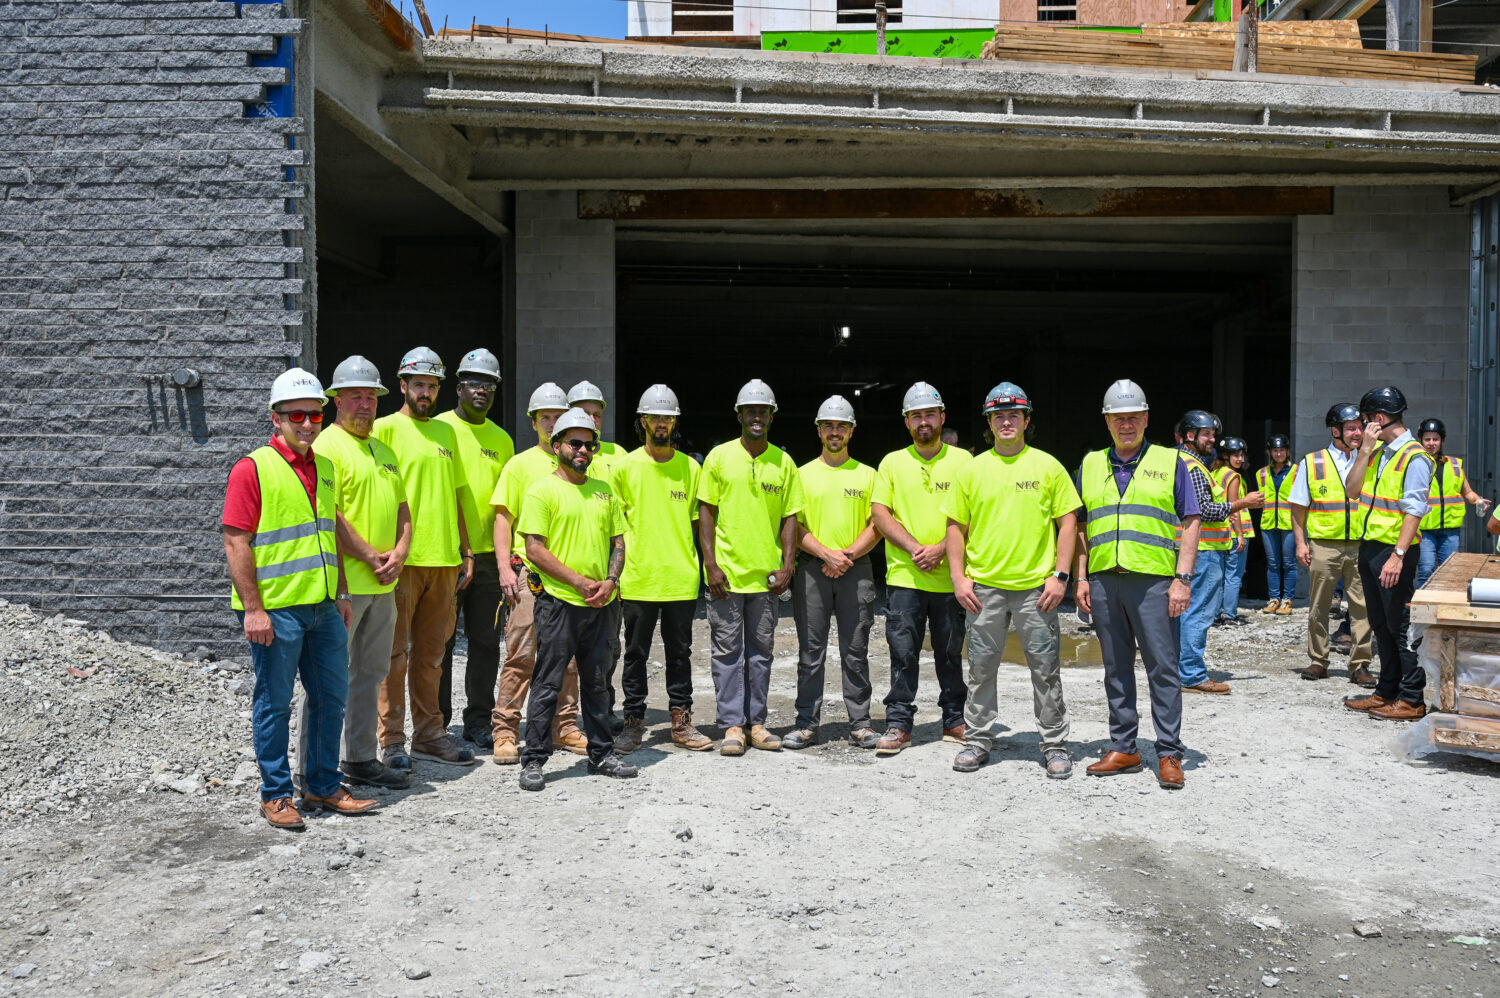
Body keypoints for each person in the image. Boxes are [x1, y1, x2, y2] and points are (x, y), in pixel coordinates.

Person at [223, 368, 376, 830]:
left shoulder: (325, 468)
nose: (308, 423)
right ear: (277, 418)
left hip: (325, 608)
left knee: (332, 698)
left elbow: (327, 534)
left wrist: (343, 592)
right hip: (277, 612)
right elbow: (236, 542)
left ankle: (324, 785)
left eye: (315, 414)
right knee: (274, 703)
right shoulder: (252, 469)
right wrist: (254, 609)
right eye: (297, 415)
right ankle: (275, 793)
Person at [945, 383, 1080, 778]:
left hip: (1036, 589)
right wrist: (959, 579)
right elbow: (955, 527)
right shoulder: (972, 470)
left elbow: (1068, 521)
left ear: (1026, 421)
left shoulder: (1047, 466)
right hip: (984, 588)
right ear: (989, 422)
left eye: (1014, 415)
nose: (1007, 422)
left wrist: (1060, 576)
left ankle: (1054, 744)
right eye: (999, 416)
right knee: (981, 668)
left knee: (1045, 667)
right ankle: (978, 740)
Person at [1075, 379, 1201, 790]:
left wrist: (1182, 580)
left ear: (1146, 419)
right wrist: (1081, 577)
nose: (1125, 425)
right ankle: (1125, 746)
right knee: (1115, 668)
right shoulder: (1091, 463)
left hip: (1154, 583)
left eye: (1133, 417)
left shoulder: (1171, 461)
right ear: (1107, 422)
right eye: (1118, 418)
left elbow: (1191, 520)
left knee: (1162, 669)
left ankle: (1168, 752)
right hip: (1105, 582)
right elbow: (1078, 526)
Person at [296, 356, 411, 793]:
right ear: (337, 398)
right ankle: (312, 771)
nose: (365, 404)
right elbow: (331, 514)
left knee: (371, 672)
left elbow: (402, 507)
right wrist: (369, 555)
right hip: (344, 588)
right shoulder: (327, 446)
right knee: (328, 679)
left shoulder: (383, 449)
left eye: (370, 396)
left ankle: (360, 758)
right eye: (355, 395)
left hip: (384, 584)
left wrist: (400, 551)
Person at [516, 408, 638, 790]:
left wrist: (610, 581)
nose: (583, 449)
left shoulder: (603, 491)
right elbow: (534, 548)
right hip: (558, 602)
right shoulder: (542, 490)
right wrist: (580, 583)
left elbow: (618, 543)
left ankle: (601, 754)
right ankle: (534, 759)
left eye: (589, 444)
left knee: (598, 682)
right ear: (557, 446)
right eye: (574, 442)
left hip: (601, 603)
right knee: (548, 682)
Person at [372, 347, 476, 768]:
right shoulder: (384, 430)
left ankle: (430, 735)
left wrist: (465, 550)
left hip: (444, 559)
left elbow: (454, 495)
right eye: (419, 385)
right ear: (403, 385)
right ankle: (392, 739)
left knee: (433, 655)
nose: (426, 393)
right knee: (394, 655)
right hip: (403, 560)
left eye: (433, 386)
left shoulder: (446, 433)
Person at [697, 379, 804, 756]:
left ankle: (756, 724)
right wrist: (710, 563)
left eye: (764, 410)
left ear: (772, 416)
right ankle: (731, 726)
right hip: (727, 574)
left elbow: (791, 516)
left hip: (766, 578)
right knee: (727, 652)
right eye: (751, 410)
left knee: (761, 652)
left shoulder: (783, 462)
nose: (757, 416)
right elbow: (706, 511)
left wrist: (787, 563)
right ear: (739, 415)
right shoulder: (719, 458)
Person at [611, 384, 714, 753]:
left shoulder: (690, 468)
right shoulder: (623, 469)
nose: (661, 424)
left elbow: (698, 524)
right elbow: (614, 530)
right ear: (643, 421)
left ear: (675, 423)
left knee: (680, 654)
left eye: (668, 418)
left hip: (679, 579)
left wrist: (707, 568)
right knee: (635, 654)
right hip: (638, 578)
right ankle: (633, 723)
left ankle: (681, 723)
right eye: (655, 417)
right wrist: (613, 574)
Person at [489, 383, 588, 763]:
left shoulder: (578, 467)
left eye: (558, 417)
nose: (551, 423)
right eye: (544, 417)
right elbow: (503, 518)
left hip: (569, 577)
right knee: (522, 653)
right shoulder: (520, 465)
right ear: (533, 422)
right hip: (530, 574)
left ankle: (563, 727)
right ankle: (506, 732)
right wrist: (503, 568)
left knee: (569, 657)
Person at [871, 382, 971, 755]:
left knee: (950, 651)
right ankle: (899, 724)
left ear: (942, 418)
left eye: (930, 415)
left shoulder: (963, 462)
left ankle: (954, 720)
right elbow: (880, 513)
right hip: (905, 577)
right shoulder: (892, 463)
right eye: (917, 416)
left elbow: (975, 514)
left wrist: (943, 549)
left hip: (951, 578)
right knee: (903, 652)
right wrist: (917, 549)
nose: (924, 422)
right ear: (907, 422)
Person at [783, 396, 881, 751]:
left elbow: (878, 524)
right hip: (812, 569)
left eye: (841, 426)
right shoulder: (801, 474)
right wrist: (826, 554)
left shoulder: (868, 475)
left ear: (851, 431)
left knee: (855, 649)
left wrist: (846, 555)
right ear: (819, 430)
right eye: (829, 426)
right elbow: (793, 524)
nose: (835, 432)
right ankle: (807, 723)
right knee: (811, 651)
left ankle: (861, 724)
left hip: (856, 568)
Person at [435, 349, 514, 748]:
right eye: (474, 382)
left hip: (489, 557)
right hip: (446, 553)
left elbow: (509, 502)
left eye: (489, 384)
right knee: (442, 641)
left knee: (485, 642)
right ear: (459, 387)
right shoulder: (439, 429)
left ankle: (479, 721)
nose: (482, 390)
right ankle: (437, 722)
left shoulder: (502, 439)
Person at [1343, 386, 1435, 722]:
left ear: (1379, 419)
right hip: (1370, 548)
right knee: (1381, 625)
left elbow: (1414, 511)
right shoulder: (1379, 454)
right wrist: (1364, 452)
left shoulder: (1415, 456)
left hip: (1394, 552)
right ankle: (1386, 691)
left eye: (1366, 421)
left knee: (1399, 628)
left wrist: (1398, 555)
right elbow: (1352, 490)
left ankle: (1412, 699)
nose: (1362, 427)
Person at [1175, 411, 1262, 696]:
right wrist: (1242, 503)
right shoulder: (1194, 468)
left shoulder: (1178, 462)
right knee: (1198, 614)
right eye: (1207, 434)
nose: (1213, 439)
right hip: (1204, 551)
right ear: (1190, 435)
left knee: (1182, 613)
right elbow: (1205, 512)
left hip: (1191, 550)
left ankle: (1178, 670)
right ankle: (1192, 675)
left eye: (1213, 434)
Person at [1288, 403, 1376, 685]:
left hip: (1362, 545)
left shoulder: (1370, 459)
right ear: (1335, 430)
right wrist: (1301, 544)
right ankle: (1318, 660)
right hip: (1324, 545)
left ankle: (1360, 664)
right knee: (1319, 606)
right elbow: (1298, 507)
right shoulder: (1312, 462)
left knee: (1362, 608)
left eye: (1360, 427)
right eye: (1351, 428)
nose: (1358, 432)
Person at [566, 380, 627, 733]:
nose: (592, 418)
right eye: (585, 413)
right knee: (565, 651)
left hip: (609, 567)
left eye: (597, 414)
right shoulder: (564, 456)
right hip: (572, 565)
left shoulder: (618, 456)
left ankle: (603, 707)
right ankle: (569, 716)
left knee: (608, 646)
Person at [1415, 418, 1488, 589]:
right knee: (1426, 569)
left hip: (1450, 530)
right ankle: (1421, 610)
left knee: (1450, 572)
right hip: (1424, 529)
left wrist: (1478, 501)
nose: (1431, 443)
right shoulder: (1415, 463)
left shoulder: (1454, 465)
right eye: (1427, 439)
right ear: (1421, 440)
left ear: (1442, 440)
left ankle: (1443, 607)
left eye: (1435, 439)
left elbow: (1467, 492)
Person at [1212, 437, 1252, 627]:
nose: (1240, 458)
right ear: (1225, 456)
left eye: (1241, 455)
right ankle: (1229, 615)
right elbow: (1233, 507)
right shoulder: (1233, 477)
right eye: (1236, 455)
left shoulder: (1215, 472)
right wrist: (1240, 534)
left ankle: (1215, 614)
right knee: (1234, 575)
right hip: (1235, 531)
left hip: (1221, 532)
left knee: (1220, 575)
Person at [1257, 434, 1298, 615]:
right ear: (1270, 452)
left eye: (1282, 450)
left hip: (1289, 523)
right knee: (1273, 563)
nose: (1279, 454)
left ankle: (1287, 600)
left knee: (1289, 563)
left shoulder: (1297, 471)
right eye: (1275, 450)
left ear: (1287, 451)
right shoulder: (1262, 473)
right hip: (1268, 523)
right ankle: (1274, 598)